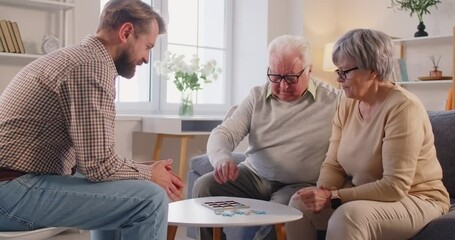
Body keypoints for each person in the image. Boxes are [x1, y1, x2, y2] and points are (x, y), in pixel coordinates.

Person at [0, 1, 184, 240]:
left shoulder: (80, 59)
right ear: (126, 32)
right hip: (11, 191)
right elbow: (99, 166)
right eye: (147, 46)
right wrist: (149, 175)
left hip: (16, 183)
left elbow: (93, 163)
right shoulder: (90, 67)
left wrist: (143, 170)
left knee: (126, 189)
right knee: (150, 199)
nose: (147, 59)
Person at [285, 28, 450, 240]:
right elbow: (333, 164)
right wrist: (322, 192)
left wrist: (334, 196)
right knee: (299, 203)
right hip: (366, 195)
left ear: (372, 70)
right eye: (338, 72)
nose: (339, 79)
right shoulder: (347, 104)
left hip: (417, 198)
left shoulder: (403, 108)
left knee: (347, 217)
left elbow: (394, 186)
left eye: (345, 72)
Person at [192, 34, 343, 240]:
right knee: (204, 186)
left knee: (279, 213)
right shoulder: (257, 96)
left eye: (291, 78)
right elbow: (224, 133)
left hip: (299, 183)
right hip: (254, 175)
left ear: (309, 70)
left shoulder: (335, 101)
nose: (282, 86)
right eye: (275, 77)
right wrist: (222, 158)